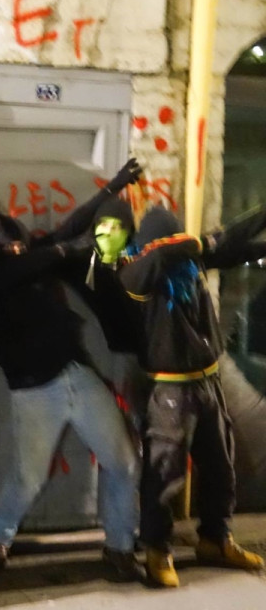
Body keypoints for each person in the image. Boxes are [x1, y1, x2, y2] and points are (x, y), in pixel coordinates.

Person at [0, 160, 144, 582]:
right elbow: (33, 260)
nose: (9, 238)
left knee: (124, 463)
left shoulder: (22, 255)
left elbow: (70, 227)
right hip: (34, 391)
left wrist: (113, 188)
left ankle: (119, 547)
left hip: (76, 374)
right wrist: (58, 252)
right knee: (27, 478)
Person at [119, 205, 266, 588]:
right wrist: (196, 242)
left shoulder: (190, 262)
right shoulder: (137, 273)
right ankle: (156, 551)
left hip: (208, 383)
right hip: (170, 388)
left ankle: (215, 540)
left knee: (220, 468)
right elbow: (168, 252)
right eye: (171, 239)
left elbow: (232, 241)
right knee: (164, 473)